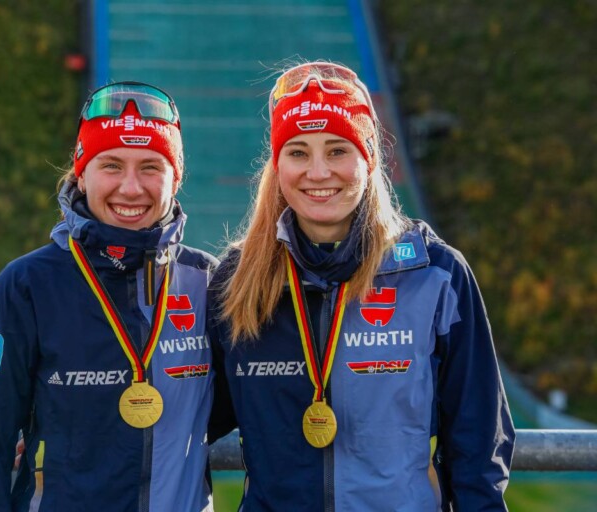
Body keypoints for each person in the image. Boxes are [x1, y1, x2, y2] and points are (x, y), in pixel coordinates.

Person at [207, 61, 515, 511]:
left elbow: (478, 439)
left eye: (337, 150)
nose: (318, 172)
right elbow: (185, 418)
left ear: (368, 157)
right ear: (277, 165)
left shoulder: (435, 274)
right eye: (298, 152)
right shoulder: (238, 281)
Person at [0, 82, 218, 511]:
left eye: (151, 167)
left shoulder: (207, 283)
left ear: (176, 178)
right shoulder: (27, 286)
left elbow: (248, 404)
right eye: (111, 165)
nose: (131, 188)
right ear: (81, 173)